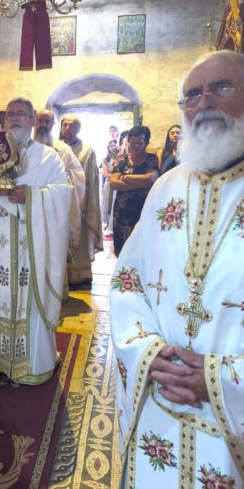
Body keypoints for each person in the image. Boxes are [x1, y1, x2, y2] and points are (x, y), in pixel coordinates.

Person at [110, 50, 244, 487]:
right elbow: (128, 282)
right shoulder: (166, 188)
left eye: (221, 87)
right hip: (159, 397)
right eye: (193, 94)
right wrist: (146, 351)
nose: (204, 102)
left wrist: (221, 380)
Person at [0, 98, 72, 385]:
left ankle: (34, 362)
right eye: (10, 114)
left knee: (31, 301)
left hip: (32, 248)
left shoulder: (48, 157)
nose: (15, 119)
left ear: (32, 119)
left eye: (21, 114)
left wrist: (33, 196)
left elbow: (64, 194)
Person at [34, 109, 85, 299]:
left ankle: (54, 293)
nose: (43, 125)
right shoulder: (25, 147)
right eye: (40, 120)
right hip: (30, 209)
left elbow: (78, 177)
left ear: (53, 125)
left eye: (47, 121)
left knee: (53, 251)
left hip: (54, 210)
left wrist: (60, 179)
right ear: (33, 122)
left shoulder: (63, 149)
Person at [61, 114, 103, 284]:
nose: (68, 128)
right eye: (65, 125)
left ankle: (79, 275)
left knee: (80, 237)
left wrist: (89, 202)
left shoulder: (87, 150)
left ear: (79, 129)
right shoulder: (54, 146)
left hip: (80, 201)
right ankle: (60, 276)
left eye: (72, 125)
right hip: (59, 201)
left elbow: (92, 178)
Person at [110, 126, 159, 255]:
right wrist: (141, 183)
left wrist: (125, 177)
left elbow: (151, 179)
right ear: (128, 142)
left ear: (146, 143)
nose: (135, 146)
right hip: (122, 212)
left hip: (144, 210)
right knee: (122, 250)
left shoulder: (152, 159)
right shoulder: (121, 160)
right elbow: (114, 183)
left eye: (139, 143)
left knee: (141, 249)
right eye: (132, 143)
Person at [101, 139, 118, 228]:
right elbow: (105, 174)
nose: (112, 147)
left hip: (119, 185)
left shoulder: (120, 158)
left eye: (114, 145)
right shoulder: (106, 160)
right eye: (110, 146)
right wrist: (117, 176)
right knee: (108, 204)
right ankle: (108, 224)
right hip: (109, 185)